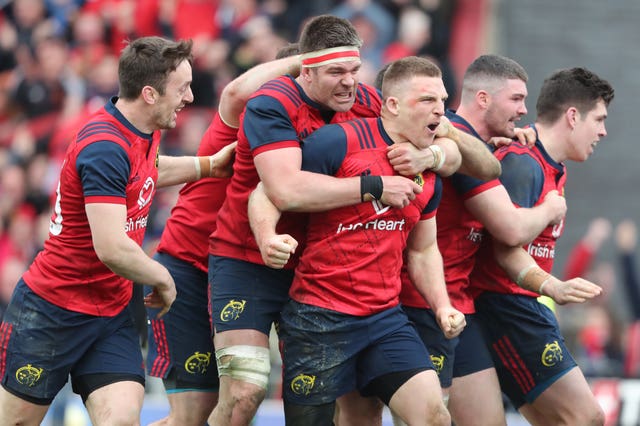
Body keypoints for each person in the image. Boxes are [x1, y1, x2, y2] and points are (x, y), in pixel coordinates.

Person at [207, 15, 475, 425]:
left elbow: (462, 153)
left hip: (328, 275)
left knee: (388, 412)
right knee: (245, 391)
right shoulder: (273, 104)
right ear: (306, 71)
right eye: (336, 71)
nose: (349, 82)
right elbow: (280, 191)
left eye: (354, 69)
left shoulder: (368, 102)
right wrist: (374, 187)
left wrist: (432, 155)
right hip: (251, 260)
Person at [0, 36, 234, 425]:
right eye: (182, 89)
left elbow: (144, 176)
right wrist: (163, 278)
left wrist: (209, 166)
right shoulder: (104, 145)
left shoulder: (144, 127)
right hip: (53, 310)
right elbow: (110, 246)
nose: (190, 98)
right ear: (149, 93)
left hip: (112, 314)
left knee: (121, 418)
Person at [398, 54, 571, 426]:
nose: (525, 111)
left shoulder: (479, 144)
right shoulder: (451, 143)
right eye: (516, 99)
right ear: (482, 99)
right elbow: (510, 229)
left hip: (462, 308)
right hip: (419, 305)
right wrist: (551, 208)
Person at [143, 51, 302, 425]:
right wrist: (311, 58)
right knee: (192, 415)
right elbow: (233, 93)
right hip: (189, 271)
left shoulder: (320, 134)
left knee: (240, 402)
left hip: (253, 274)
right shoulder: (246, 116)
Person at [471, 66, 613, 425]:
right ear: (572, 116)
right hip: (506, 308)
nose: (603, 131)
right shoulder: (523, 164)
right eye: (598, 119)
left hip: (520, 307)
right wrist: (555, 287)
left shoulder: (550, 165)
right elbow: (506, 245)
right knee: (587, 418)